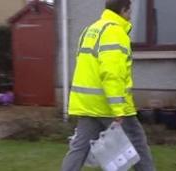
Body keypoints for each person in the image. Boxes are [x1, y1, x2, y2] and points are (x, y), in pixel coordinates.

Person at [61, 0, 155, 170]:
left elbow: (86, 67)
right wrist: (118, 110)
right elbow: (111, 74)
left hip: (87, 103)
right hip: (108, 104)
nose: (130, 15)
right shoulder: (115, 32)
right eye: (129, 11)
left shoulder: (90, 30)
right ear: (124, 10)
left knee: (79, 148)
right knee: (138, 142)